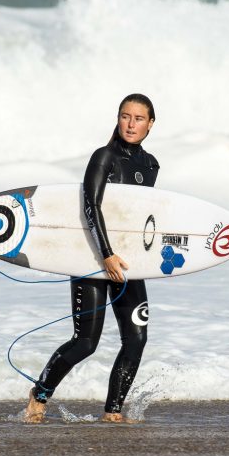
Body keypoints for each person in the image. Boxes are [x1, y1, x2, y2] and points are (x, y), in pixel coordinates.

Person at [25, 93, 159, 423]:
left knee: (136, 339)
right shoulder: (104, 157)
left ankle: (113, 411)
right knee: (86, 342)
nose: (131, 123)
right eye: (125, 116)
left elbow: (140, 218)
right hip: (93, 259)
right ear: (118, 119)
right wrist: (106, 255)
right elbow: (90, 207)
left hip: (128, 264)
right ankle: (39, 395)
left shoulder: (151, 165)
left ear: (150, 124)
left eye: (138, 118)